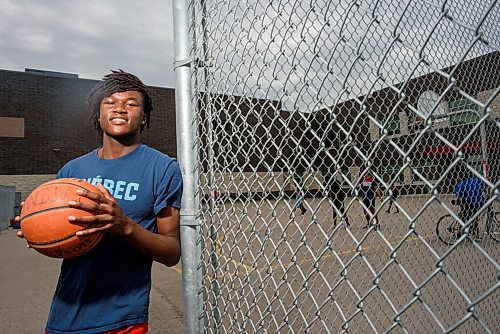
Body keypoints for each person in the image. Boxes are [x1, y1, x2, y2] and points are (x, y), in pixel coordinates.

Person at [16, 70, 183, 334]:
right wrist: (35, 224)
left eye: (131, 103)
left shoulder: (162, 169)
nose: (120, 108)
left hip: (122, 318)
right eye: (110, 102)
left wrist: (125, 225)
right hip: (64, 313)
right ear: (98, 114)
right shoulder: (72, 170)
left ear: (144, 117)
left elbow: (172, 252)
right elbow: (63, 235)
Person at [453, 170, 484, 237]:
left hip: (468, 204)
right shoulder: (477, 180)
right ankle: (474, 230)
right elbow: (482, 187)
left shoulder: (460, 185)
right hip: (479, 203)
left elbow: (459, 197)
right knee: (474, 216)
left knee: (463, 216)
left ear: (459, 177)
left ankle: (459, 232)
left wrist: (456, 201)